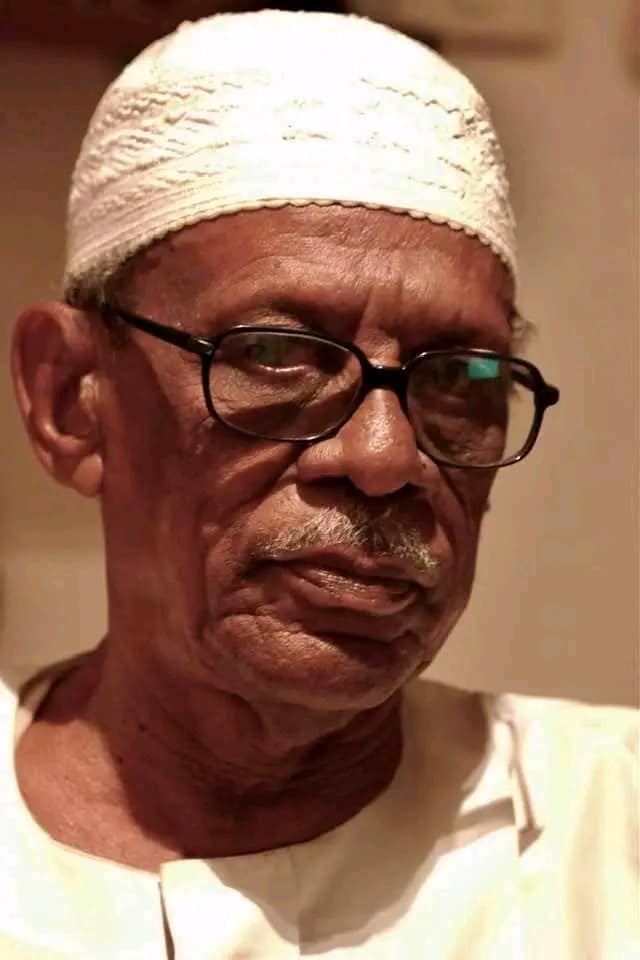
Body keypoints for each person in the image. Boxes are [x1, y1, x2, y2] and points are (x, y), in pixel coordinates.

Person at [3, 10, 637, 959]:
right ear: (71, 401)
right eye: (277, 356)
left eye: (458, 377)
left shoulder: (611, 837)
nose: (385, 457)